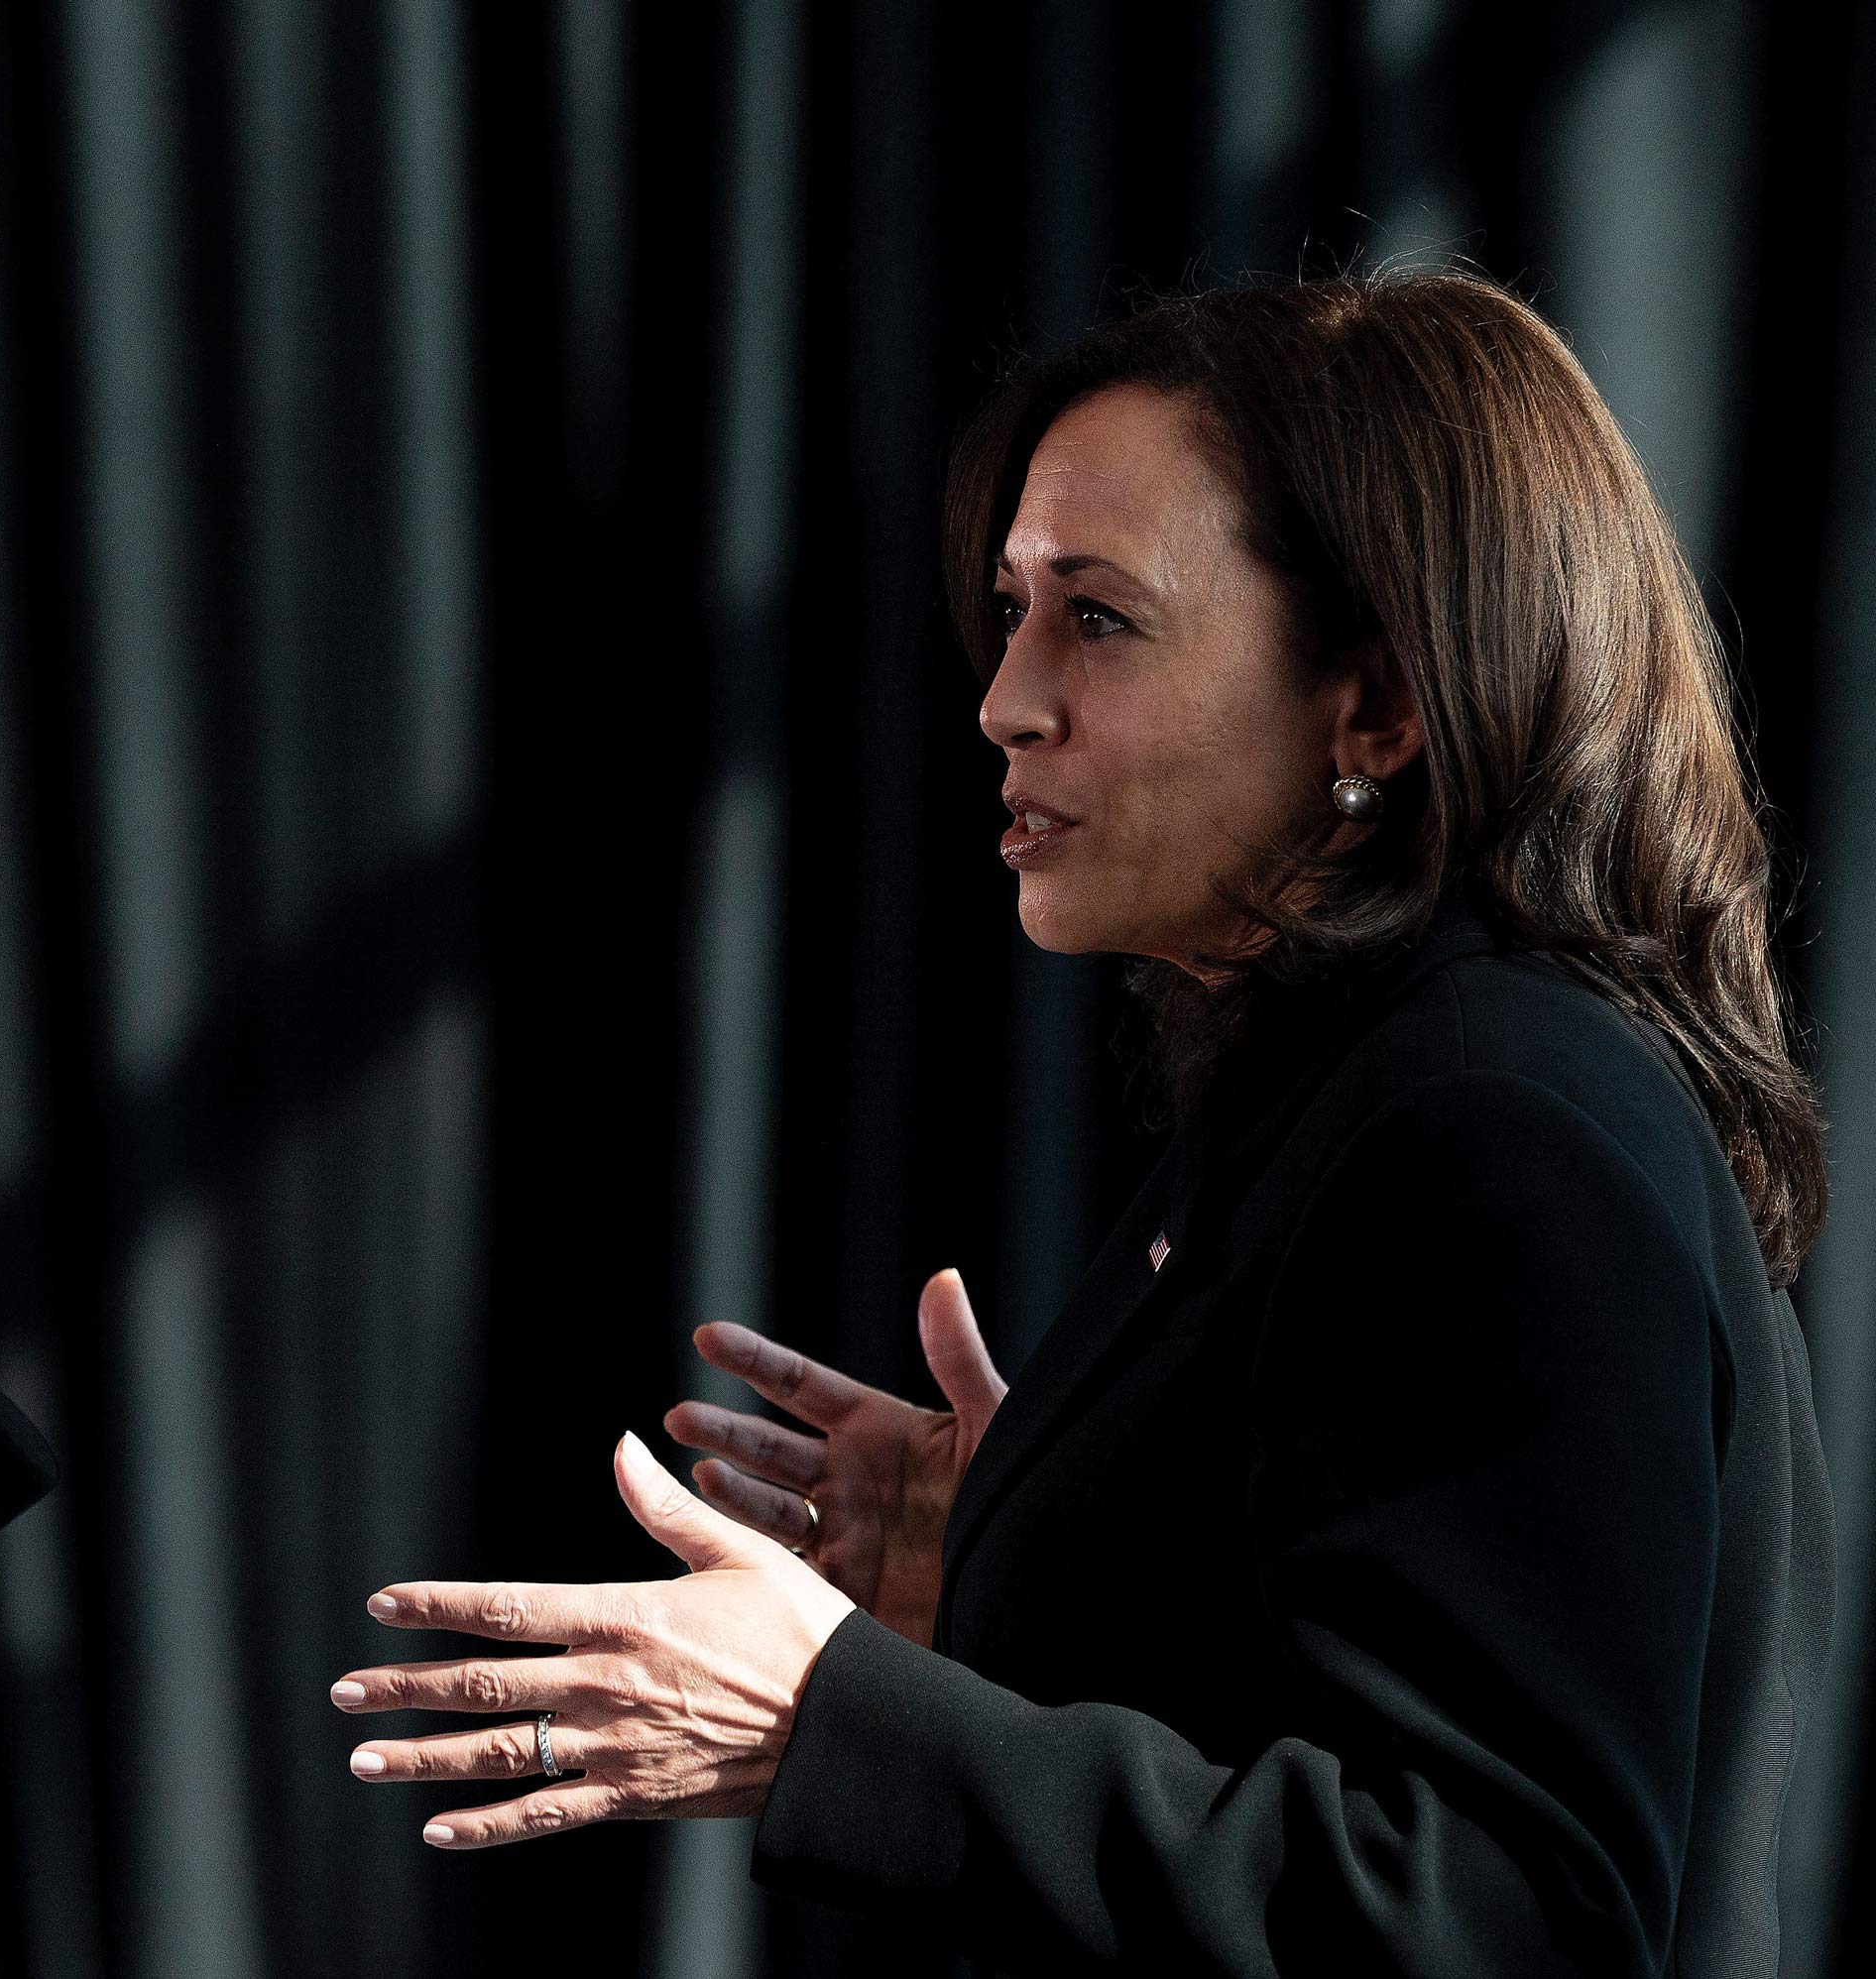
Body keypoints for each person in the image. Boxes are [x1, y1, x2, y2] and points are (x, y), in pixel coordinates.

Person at [329, 271, 1834, 1976]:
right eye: (1012, 607)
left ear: (1379, 710)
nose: (1004, 701)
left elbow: (1499, 1922)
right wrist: (1022, 1578)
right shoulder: (1354, 1091)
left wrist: (832, 1720)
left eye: (1097, 619)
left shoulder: (1489, 1126)